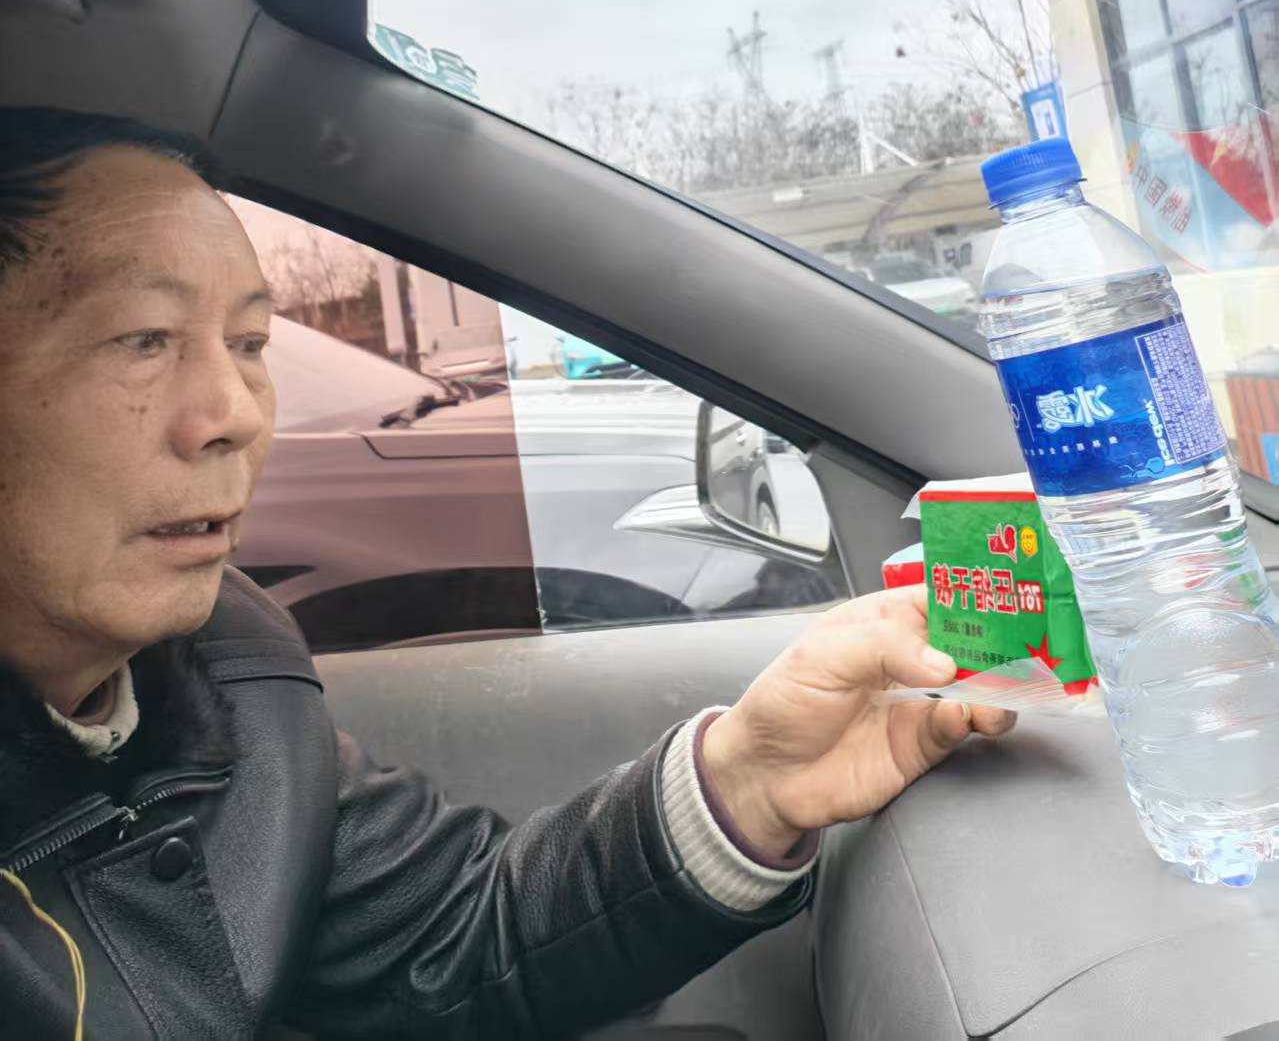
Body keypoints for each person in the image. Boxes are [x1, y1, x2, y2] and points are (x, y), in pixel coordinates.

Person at [0, 108, 1014, 1038]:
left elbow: (449, 943)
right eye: (143, 340)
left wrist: (751, 779)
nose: (234, 411)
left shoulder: (231, 668)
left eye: (251, 341)